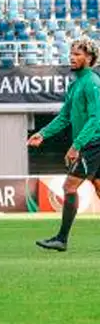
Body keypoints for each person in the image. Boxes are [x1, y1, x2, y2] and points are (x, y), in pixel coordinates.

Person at [28, 37, 100, 252]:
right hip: (90, 142)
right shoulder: (75, 84)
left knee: (69, 187)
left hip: (93, 142)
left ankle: (61, 239)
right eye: (71, 53)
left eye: (78, 54)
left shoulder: (92, 83)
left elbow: (96, 118)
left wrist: (76, 145)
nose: (72, 57)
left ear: (90, 58)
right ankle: (61, 239)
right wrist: (42, 133)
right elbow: (64, 116)